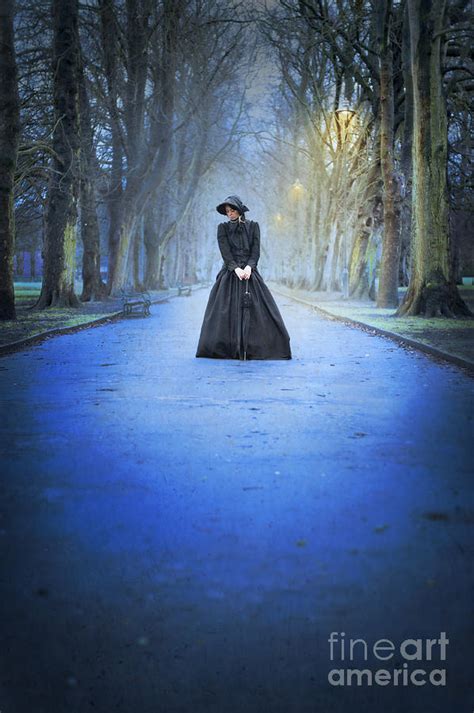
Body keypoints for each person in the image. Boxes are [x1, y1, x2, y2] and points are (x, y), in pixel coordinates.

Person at [195, 195, 291, 360]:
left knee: (262, 310)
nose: (230, 214)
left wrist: (248, 267)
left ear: (239, 210)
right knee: (224, 311)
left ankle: (255, 348)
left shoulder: (253, 226)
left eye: (232, 210)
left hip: (249, 272)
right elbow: (225, 252)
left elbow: (255, 250)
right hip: (230, 274)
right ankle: (228, 348)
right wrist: (235, 269)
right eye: (227, 211)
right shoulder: (222, 228)